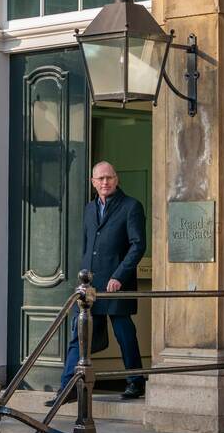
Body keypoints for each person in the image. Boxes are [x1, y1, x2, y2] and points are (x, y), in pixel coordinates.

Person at [45, 161, 147, 406]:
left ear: (116, 179)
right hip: (89, 286)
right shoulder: (90, 209)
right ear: (93, 182)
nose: (105, 182)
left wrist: (119, 276)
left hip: (115, 285)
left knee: (124, 334)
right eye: (100, 179)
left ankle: (135, 381)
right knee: (77, 335)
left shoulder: (131, 206)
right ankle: (68, 387)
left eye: (109, 178)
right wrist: (82, 276)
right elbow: (87, 246)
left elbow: (138, 245)